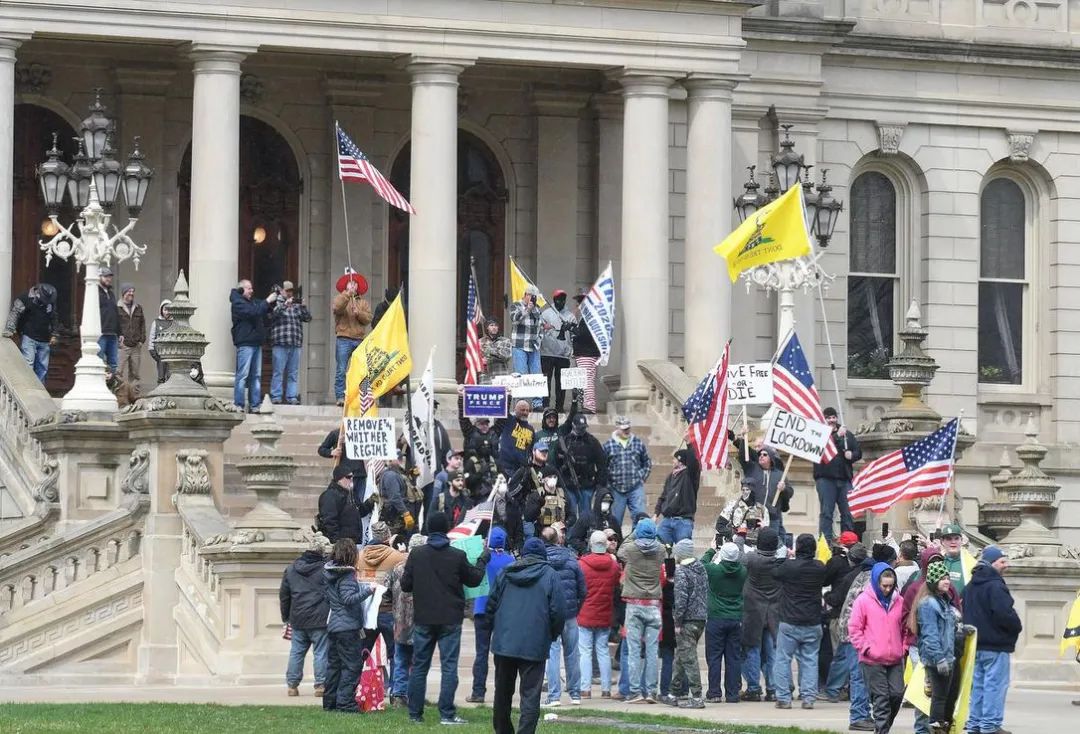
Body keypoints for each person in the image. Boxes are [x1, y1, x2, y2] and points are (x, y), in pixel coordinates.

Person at [400, 511, 489, 725]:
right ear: (447, 528)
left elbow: (405, 585)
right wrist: (481, 561)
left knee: (420, 666)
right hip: (450, 618)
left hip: (424, 618)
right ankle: (447, 714)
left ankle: (415, 714)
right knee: (449, 667)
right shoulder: (456, 556)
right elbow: (475, 580)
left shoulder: (417, 554)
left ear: (429, 530)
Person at [488, 537, 566, 734]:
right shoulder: (550, 575)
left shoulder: (506, 573)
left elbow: (491, 605)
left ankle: (503, 730)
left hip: (505, 642)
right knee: (530, 695)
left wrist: (498, 629)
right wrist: (551, 635)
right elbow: (558, 612)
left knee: (503, 693)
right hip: (534, 643)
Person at [963, 545, 1022, 734]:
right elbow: (1005, 614)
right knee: (994, 686)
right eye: (1002, 561)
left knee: (978, 686)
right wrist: (1016, 626)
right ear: (992, 563)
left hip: (975, 645)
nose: (1006, 565)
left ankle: (975, 724)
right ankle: (990, 725)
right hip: (995, 645)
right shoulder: (995, 585)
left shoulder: (971, 585)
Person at [847, 562, 906, 734]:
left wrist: (903, 647)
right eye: (884, 586)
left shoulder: (899, 601)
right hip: (872, 658)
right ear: (876, 583)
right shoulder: (863, 601)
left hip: (895, 657)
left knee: (896, 695)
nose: (887, 589)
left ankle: (883, 726)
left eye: (891, 586)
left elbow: (905, 628)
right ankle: (882, 730)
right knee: (881, 699)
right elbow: (854, 629)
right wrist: (865, 649)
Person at [773, 533, 827, 710]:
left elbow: (775, 573)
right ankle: (809, 697)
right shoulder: (819, 567)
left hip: (790, 620)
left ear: (797, 548)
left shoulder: (789, 567)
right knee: (810, 660)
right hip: (812, 620)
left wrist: (787, 556)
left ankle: (783, 698)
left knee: (782, 659)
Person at [321, 538, 374, 712]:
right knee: (352, 666)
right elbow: (348, 599)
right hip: (348, 628)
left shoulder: (329, 573)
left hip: (335, 626)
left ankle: (330, 702)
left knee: (334, 666)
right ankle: (345, 702)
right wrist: (368, 591)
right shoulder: (347, 575)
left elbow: (330, 598)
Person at [617, 517, 664, 703]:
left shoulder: (630, 550)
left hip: (634, 604)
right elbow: (660, 543)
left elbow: (620, 550)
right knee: (652, 651)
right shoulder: (660, 550)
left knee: (634, 650)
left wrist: (635, 532)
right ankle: (651, 691)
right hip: (653, 605)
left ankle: (635, 691)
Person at [467, 526, 515, 704]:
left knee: (481, 653)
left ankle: (478, 691)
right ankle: (501, 692)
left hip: (482, 608)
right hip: (502, 610)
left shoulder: (482, 557)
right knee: (501, 654)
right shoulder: (510, 560)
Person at [911, 561, 959, 734]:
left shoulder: (944, 602)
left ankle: (942, 727)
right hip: (938, 660)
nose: (947, 581)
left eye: (947, 578)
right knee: (939, 699)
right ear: (933, 581)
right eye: (942, 579)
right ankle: (936, 728)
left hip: (948, 658)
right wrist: (939, 659)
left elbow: (947, 630)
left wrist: (960, 629)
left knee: (945, 699)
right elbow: (930, 635)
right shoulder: (928, 604)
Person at [542, 526, 586, 707]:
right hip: (569, 613)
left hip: (550, 614)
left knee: (552, 654)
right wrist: (576, 607)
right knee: (572, 654)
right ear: (557, 540)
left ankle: (554, 696)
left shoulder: (542, 563)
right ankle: (575, 693)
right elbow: (583, 590)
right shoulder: (571, 560)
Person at [279, 541, 330, 698]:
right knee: (321, 652)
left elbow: (284, 596)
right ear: (321, 552)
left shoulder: (291, 569)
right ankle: (320, 685)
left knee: (296, 652)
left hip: (298, 617)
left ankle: (292, 685)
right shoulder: (325, 569)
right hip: (320, 617)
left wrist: (286, 617)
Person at [662, 539, 707, 709]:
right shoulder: (700, 567)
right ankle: (673, 693)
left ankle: (696, 697)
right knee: (681, 656)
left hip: (686, 620)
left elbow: (681, 601)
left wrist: (678, 621)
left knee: (689, 659)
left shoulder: (681, 572)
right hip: (701, 618)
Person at [740, 527, 784, 702]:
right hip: (773, 611)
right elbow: (780, 548)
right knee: (771, 650)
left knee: (752, 649)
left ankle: (753, 687)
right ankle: (772, 688)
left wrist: (742, 536)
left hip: (753, 610)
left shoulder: (751, 559)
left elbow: (737, 554)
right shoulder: (780, 562)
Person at [357, 521, 405, 680]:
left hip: (367, 612)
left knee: (361, 652)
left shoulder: (360, 556)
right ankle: (395, 691)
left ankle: (351, 689)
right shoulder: (397, 557)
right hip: (389, 610)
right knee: (395, 654)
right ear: (388, 537)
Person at [701, 540, 747, 704]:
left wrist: (712, 549)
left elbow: (702, 563)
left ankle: (714, 692)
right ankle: (732, 693)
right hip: (735, 617)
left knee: (714, 657)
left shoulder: (715, 570)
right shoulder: (742, 571)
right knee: (733, 657)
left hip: (716, 617)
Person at [577, 529, 621, 700]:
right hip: (605, 613)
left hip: (586, 612)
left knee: (585, 651)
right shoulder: (613, 565)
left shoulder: (582, 564)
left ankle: (585, 688)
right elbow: (617, 586)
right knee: (603, 651)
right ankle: (605, 689)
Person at [385, 533, 426, 708]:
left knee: (401, 658)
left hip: (400, 621)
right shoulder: (426, 568)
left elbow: (386, 591)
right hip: (420, 620)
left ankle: (399, 694)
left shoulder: (397, 567)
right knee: (418, 661)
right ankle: (415, 695)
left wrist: (394, 606)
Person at [555, 413, 607, 537]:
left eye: (583, 427)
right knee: (571, 515)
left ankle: (586, 539)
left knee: (587, 516)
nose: (581, 430)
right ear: (573, 425)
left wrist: (600, 484)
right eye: (579, 427)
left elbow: (602, 464)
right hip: (569, 484)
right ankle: (571, 539)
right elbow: (556, 463)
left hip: (587, 485)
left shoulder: (592, 442)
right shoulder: (565, 441)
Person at [813, 406, 862, 541]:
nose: (831, 420)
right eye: (828, 418)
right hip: (825, 479)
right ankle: (825, 543)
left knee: (847, 513)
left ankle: (848, 542)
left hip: (845, 480)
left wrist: (851, 455)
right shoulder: (819, 434)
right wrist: (836, 437)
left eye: (833, 417)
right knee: (827, 513)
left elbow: (858, 452)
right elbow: (818, 449)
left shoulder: (847, 434)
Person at [230, 278, 276, 411]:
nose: (252, 291)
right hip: (245, 343)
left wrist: (274, 302)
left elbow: (262, 309)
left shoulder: (252, 302)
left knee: (256, 376)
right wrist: (267, 301)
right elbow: (253, 312)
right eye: (249, 288)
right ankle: (239, 404)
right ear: (241, 289)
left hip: (256, 342)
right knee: (243, 375)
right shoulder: (238, 303)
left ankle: (254, 404)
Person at [331, 271, 372, 407]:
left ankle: (361, 396)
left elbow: (368, 319)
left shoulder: (363, 303)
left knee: (361, 370)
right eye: (350, 283)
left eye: (355, 284)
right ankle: (340, 397)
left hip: (359, 339)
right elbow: (337, 308)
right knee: (341, 369)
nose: (353, 286)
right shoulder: (340, 298)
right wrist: (347, 295)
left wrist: (358, 313)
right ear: (347, 286)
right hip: (343, 338)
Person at [603, 416, 652, 529]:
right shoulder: (608, 445)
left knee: (640, 518)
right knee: (615, 520)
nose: (626, 431)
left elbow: (647, 462)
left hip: (635, 487)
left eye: (628, 428)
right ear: (617, 428)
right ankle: (616, 544)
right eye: (624, 429)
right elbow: (603, 467)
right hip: (616, 489)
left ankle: (637, 543)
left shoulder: (638, 443)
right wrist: (608, 485)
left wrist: (642, 477)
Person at [3, 283, 59, 382]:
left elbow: (54, 317)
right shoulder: (25, 298)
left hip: (45, 339)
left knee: (43, 368)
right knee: (28, 363)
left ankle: (40, 391)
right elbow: (15, 313)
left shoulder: (50, 303)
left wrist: (54, 334)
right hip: (29, 337)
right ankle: (27, 387)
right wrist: (10, 329)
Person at [269, 280, 311, 405]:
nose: (290, 293)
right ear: (282, 291)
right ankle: (276, 396)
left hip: (295, 342)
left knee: (293, 373)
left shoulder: (296, 306)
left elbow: (308, 318)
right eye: (287, 291)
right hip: (280, 342)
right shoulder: (275, 302)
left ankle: (291, 397)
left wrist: (303, 307)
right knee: (278, 371)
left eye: (291, 291)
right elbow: (272, 316)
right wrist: (284, 305)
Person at [654, 448, 701, 545]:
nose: (673, 461)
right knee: (661, 549)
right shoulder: (670, 476)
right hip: (667, 520)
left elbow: (694, 463)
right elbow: (663, 496)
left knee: (683, 551)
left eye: (675, 459)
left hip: (683, 521)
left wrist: (689, 443)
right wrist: (656, 513)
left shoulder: (690, 475)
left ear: (680, 461)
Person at [510, 285, 545, 407]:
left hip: (534, 346)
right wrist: (527, 310)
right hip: (519, 345)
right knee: (520, 373)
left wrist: (539, 340)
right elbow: (515, 320)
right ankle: (520, 403)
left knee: (537, 374)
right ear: (525, 295)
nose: (532, 299)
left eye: (534, 297)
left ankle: (537, 403)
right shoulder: (516, 305)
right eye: (530, 296)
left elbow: (540, 327)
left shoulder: (537, 309)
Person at [316, 465, 372, 543]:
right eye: (348, 477)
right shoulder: (330, 496)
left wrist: (370, 503)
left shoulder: (351, 494)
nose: (351, 480)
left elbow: (359, 512)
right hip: (341, 543)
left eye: (352, 477)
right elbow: (329, 521)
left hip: (352, 541)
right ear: (339, 479)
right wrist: (337, 540)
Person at [540, 288, 575, 410]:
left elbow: (574, 335)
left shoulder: (570, 316)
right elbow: (539, 331)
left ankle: (559, 407)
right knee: (546, 381)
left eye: (563, 299)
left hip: (563, 355)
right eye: (559, 298)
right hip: (547, 353)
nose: (561, 301)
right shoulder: (545, 314)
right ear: (554, 299)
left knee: (561, 383)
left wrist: (570, 328)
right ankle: (545, 405)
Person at [570, 292, 601, 413]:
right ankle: (585, 404)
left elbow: (584, 334)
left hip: (587, 353)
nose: (578, 306)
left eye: (580, 303)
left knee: (587, 379)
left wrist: (572, 328)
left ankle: (590, 405)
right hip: (584, 353)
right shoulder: (586, 318)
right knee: (583, 380)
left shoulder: (590, 318)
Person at [755, 448, 795, 542]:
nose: (761, 456)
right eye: (760, 454)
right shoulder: (755, 472)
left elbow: (790, 492)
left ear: (771, 458)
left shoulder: (780, 475)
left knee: (772, 542)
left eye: (765, 455)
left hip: (773, 516)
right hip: (756, 516)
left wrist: (784, 488)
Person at [316, 427, 367, 496]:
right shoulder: (336, 434)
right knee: (345, 502)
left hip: (360, 474)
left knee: (359, 503)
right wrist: (332, 452)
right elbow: (321, 449)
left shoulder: (362, 433)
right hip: (344, 476)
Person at [378, 452, 416, 538]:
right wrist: (405, 513)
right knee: (397, 540)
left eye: (401, 458)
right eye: (398, 459)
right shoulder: (391, 476)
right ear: (391, 460)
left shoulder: (396, 473)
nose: (401, 460)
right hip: (394, 516)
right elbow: (395, 497)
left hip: (396, 514)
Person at [117, 283, 146, 391]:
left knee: (135, 373)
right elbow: (115, 324)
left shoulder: (138, 308)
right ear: (124, 293)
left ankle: (134, 396)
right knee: (118, 372)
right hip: (122, 346)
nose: (132, 293)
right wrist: (118, 340)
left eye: (133, 291)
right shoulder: (117, 308)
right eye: (129, 291)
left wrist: (142, 340)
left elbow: (142, 324)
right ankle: (119, 395)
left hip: (136, 346)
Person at [497, 398, 536, 478]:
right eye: (522, 410)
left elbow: (531, 450)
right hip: (505, 469)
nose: (525, 412)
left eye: (527, 410)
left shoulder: (531, 429)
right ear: (515, 410)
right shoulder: (509, 421)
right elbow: (503, 408)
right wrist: (509, 396)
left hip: (521, 471)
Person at [97, 267, 120, 374]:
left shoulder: (111, 293)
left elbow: (116, 313)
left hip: (113, 333)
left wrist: (120, 333)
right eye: (106, 276)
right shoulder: (95, 292)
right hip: (100, 333)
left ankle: (112, 388)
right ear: (99, 277)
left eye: (110, 276)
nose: (108, 279)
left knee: (113, 363)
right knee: (98, 362)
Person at [939, 524, 970, 595]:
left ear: (961, 540)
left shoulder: (970, 563)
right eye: (949, 539)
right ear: (942, 542)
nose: (953, 542)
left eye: (956, 538)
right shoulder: (936, 561)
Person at [147, 299, 172, 384]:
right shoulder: (156, 322)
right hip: (160, 355)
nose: (167, 312)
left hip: (172, 355)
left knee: (170, 376)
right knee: (161, 376)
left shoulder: (174, 323)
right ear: (161, 310)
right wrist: (152, 351)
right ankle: (160, 393)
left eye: (169, 310)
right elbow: (152, 337)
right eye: (165, 310)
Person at [480, 318, 512, 383]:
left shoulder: (505, 341)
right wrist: (481, 360)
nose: (494, 327)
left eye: (496, 325)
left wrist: (491, 350)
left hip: (501, 375)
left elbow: (506, 356)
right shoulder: (480, 342)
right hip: (485, 376)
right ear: (487, 328)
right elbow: (475, 358)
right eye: (491, 325)